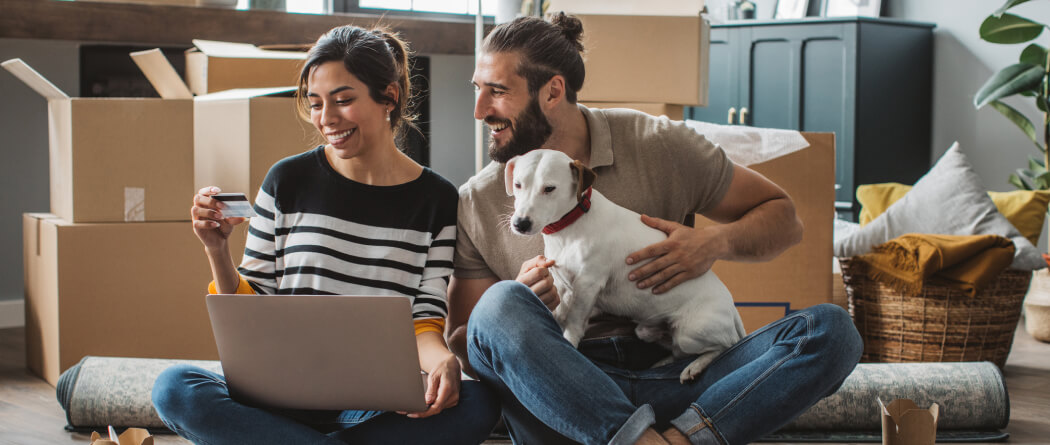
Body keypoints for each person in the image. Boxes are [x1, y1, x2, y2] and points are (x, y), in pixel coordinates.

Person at [446, 13, 864, 445]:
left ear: (553, 91)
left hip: (676, 374)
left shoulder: (656, 143)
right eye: (477, 90)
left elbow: (784, 219)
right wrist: (524, 311)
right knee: (499, 306)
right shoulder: (479, 199)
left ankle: (678, 439)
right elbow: (464, 340)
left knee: (831, 331)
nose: (479, 111)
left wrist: (713, 243)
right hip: (563, 395)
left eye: (497, 92)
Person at [151, 25, 499, 445]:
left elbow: (423, 320)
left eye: (344, 100)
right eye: (316, 104)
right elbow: (251, 307)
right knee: (174, 387)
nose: (326, 119)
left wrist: (443, 361)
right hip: (274, 393)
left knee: (478, 402)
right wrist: (217, 251)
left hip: (372, 403)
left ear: (388, 96)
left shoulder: (438, 199)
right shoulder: (286, 180)